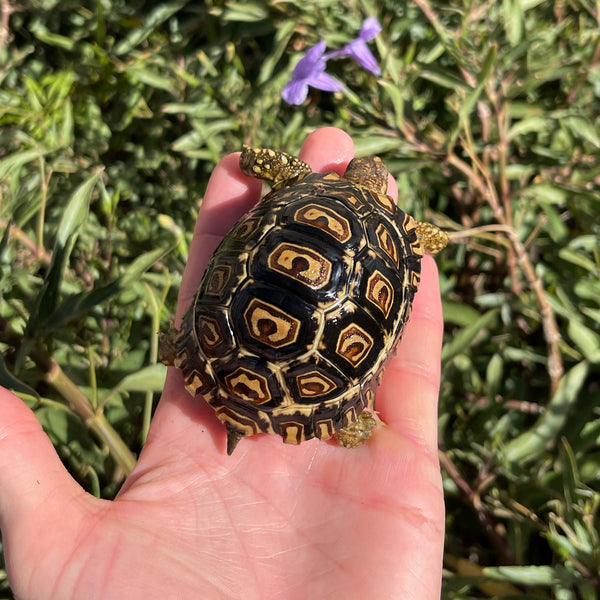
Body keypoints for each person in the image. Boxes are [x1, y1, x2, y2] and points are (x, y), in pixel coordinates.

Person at [0, 127, 445, 599]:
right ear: (376, 186)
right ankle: (343, 416)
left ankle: (186, 349)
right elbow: (430, 243)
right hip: (315, 385)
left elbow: (259, 164)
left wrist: (256, 159)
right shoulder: (403, 236)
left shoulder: (303, 184)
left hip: (221, 348)